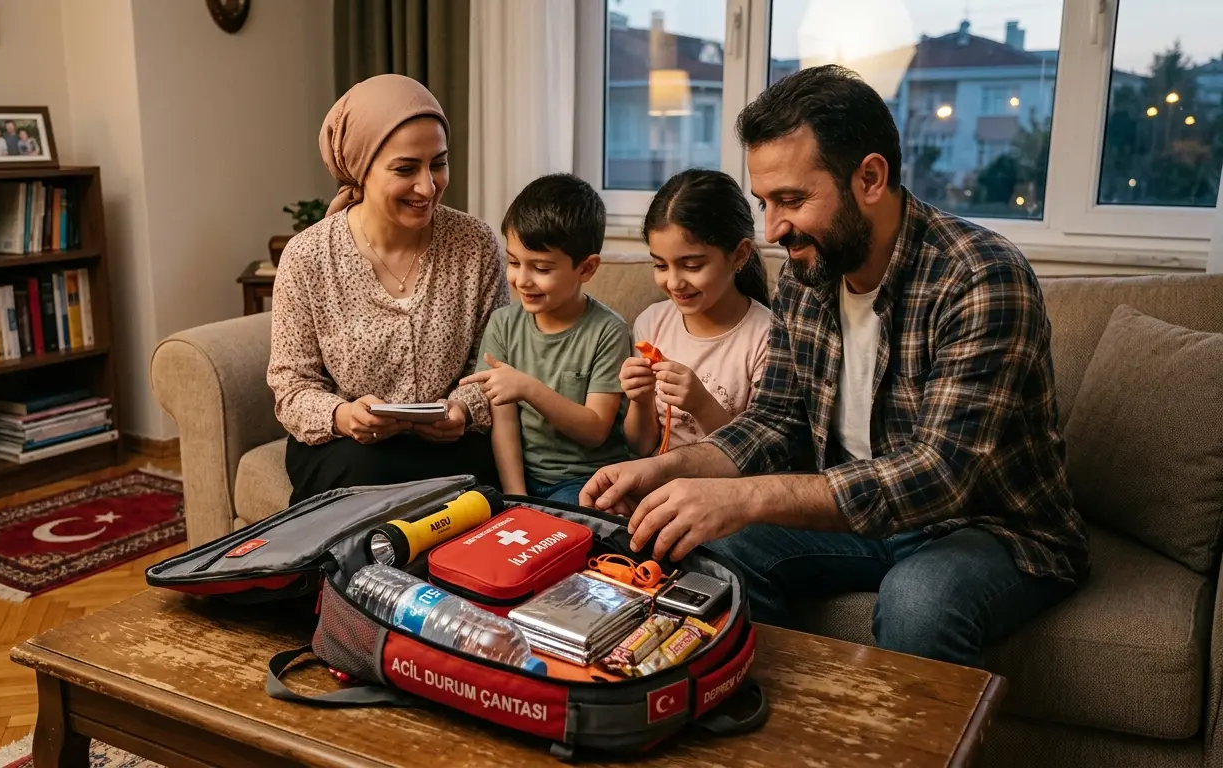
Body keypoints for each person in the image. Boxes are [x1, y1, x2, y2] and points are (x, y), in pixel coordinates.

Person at [580, 64, 1090, 669]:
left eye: (792, 200)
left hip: (988, 528)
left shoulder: (980, 278)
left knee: (920, 601)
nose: (773, 229)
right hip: (864, 522)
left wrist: (743, 498)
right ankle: (779, 716)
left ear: (870, 178)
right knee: (723, 552)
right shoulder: (808, 274)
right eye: (765, 203)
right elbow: (773, 422)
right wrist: (663, 470)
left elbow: (941, 475)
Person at [267, 73, 508, 505]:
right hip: (348, 446)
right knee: (366, 473)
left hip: (451, 444)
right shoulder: (308, 257)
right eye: (405, 169)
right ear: (361, 170)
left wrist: (463, 409)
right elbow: (292, 386)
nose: (427, 186)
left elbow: (494, 362)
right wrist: (343, 416)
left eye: (438, 163)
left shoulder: (475, 244)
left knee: (480, 478)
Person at [459, 174, 632, 506]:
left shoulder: (608, 330)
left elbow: (595, 430)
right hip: (520, 477)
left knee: (568, 523)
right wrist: (516, 498)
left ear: (586, 269)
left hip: (587, 479)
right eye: (513, 262)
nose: (522, 280)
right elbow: (504, 425)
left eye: (540, 268)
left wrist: (529, 388)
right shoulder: (503, 324)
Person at [621, 169, 773, 457]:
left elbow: (757, 456)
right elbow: (640, 447)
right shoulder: (651, 323)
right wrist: (640, 400)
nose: (674, 282)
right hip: (656, 476)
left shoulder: (766, 337)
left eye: (692, 266)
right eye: (661, 265)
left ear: (739, 255)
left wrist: (702, 405)